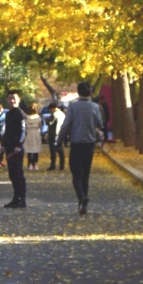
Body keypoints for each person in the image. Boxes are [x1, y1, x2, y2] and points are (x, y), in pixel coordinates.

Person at [57, 80, 104, 215]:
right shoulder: (95, 107)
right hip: (89, 144)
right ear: (90, 92)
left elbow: (66, 125)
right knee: (85, 175)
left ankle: (82, 197)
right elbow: (100, 123)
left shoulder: (73, 106)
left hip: (77, 143)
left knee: (76, 175)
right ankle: (82, 205)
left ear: (78, 92)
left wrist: (59, 140)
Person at [2, 90, 27, 208]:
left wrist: (19, 145)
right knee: (12, 175)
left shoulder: (20, 113)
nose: (12, 100)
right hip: (9, 148)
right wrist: (3, 145)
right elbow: (7, 131)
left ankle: (22, 199)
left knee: (18, 174)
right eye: (9, 98)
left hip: (16, 149)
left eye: (14, 98)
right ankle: (16, 197)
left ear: (19, 99)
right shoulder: (8, 114)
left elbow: (23, 131)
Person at [47, 101, 66, 171]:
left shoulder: (54, 114)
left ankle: (53, 165)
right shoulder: (62, 114)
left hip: (53, 133)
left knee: (53, 150)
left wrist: (47, 120)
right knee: (60, 149)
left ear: (52, 108)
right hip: (60, 133)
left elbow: (50, 123)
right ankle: (62, 164)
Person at [24, 101, 42, 171]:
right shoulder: (38, 117)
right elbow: (40, 125)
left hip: (29, 133)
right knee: (35, 149)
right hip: (36, 133)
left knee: (29, 150)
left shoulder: (26, 117)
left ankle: (30, 164)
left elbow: (24, 125)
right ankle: (36, 164)